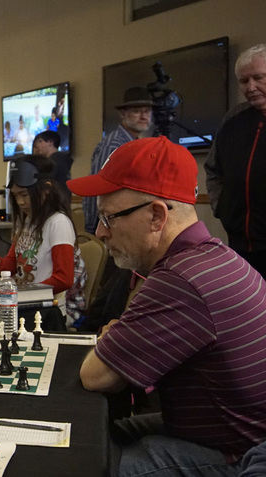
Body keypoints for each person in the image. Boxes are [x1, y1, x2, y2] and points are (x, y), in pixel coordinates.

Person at [67, 136, 266, 476]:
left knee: (80, 463)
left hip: (235, 456)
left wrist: (112, 341)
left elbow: (96, 376)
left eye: (109, 218)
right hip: (227, 434)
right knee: (86, 436)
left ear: (157, 216)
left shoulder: (182, 278)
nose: (101, 232)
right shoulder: (215, 257)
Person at [0, 155, 86, 329]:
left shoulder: (58, 223)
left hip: (49, 311)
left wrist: (23, 294)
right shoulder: (27, 221)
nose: (20, 202)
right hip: (24, 304)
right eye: (15, 196)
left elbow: (64, 279)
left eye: (24, 194)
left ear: (46, 189)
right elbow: (12, 264)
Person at [205, 44, 266, 278]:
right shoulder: (233, 119)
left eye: (258, 78)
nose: (250, 87)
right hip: (239, 245)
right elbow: (213, 169)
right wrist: (222, 207)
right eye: (243, 81)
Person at [83, 86, 153, 234]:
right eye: (136, 111)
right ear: (122, 114)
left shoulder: (133, 143)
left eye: (147, 111)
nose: (143, 116)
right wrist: (92, 229)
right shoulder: (114, 145)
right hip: (109, 228)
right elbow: (97, 189)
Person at [32, 130, 73, 206]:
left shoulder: (55, 161)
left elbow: (43, 186)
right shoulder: (61, 160)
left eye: (40, 141)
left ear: (51, 142)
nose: (37, 146)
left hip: (55, 206)